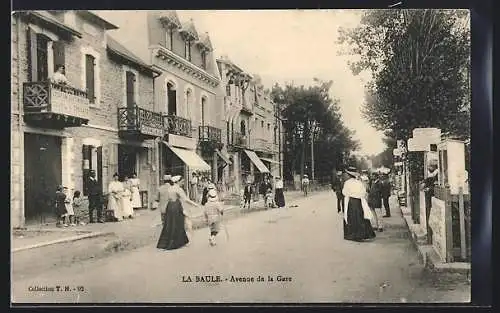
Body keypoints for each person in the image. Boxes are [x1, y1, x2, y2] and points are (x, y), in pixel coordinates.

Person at [156, 175, 199, 250]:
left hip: (169, 206)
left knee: (169, 224)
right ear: (177, 182)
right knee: (178, 223)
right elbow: (185, 199)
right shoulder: (178, 189)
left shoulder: (170, 188)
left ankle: (166, 243)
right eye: (182, 181)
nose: (182, 183)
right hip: (176, 206)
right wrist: (195, 204)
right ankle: (176, 242)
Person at [342, 166, 376, 242]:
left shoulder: (347, 183)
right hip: (359, 201)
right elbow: (363, 192)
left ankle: (353, 234)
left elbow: (344, 192)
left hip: (351, 201)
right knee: (360, 216)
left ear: (349, 175)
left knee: (351, 217)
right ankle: (363, 234)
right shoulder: (359, 183)